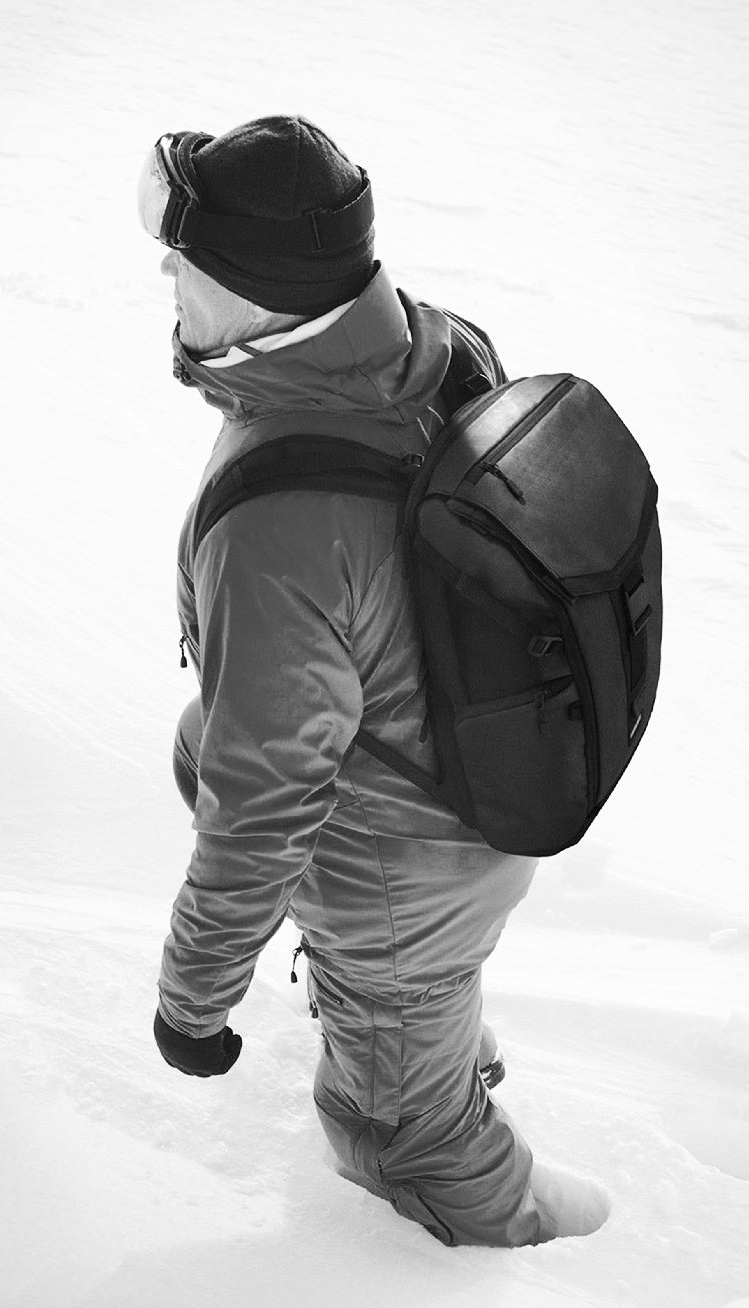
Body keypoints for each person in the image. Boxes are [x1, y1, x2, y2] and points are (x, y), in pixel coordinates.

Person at [140, 115, 609, 1246]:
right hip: (472, 779)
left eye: (184, 261)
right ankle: (427, 1021)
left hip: (405, 871)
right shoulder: (427, 347)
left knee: (395, 1126)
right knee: (201, 740)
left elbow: (265, 802)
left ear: (252, 297)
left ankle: (526, 1282)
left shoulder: (285, 528)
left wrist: (192, 1003)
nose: (164, 274)